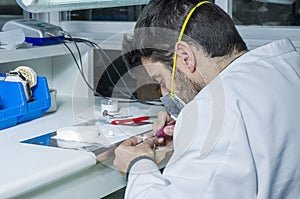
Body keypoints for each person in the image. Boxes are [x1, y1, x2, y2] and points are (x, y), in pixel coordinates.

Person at [113, 0, 300, 198]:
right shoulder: (286, 65)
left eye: (161, 79)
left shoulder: (214, 110)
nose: (164, 92)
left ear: (185, 57)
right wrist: (189, 135)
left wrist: (138, 165)